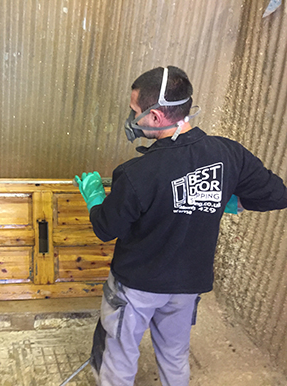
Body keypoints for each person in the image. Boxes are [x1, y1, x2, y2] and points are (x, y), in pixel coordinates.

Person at [74, 66, 287, 386]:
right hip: (187, 284)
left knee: (119, 356)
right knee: (174, 357)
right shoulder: (229, 154)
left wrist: (93, 199)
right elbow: (276, 195)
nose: (132, 118)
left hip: (137, 286)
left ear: (156, 116)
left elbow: (106, 228)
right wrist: (228, 200)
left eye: (135, 112)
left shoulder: (136, 173)